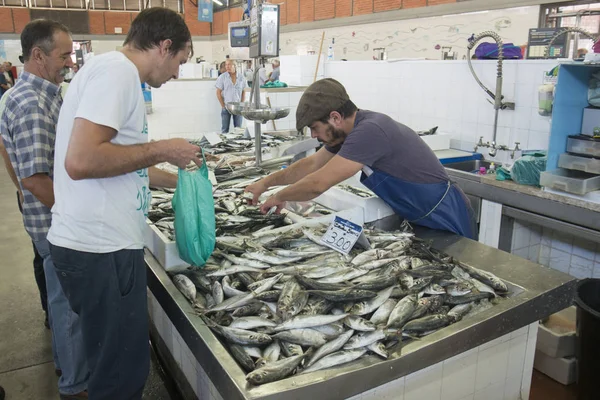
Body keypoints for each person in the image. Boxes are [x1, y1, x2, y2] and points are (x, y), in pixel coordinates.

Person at [47, 8, 201, 400]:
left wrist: (181, 179)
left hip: (96, 248)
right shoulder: (118, 74)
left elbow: (115, 161)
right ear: (164, 47)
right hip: (100, 251)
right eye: (180, 62)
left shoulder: (109, 71)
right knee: (119, 376)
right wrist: (164, 148)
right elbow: (81, 161)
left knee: (115, 365)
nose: (178, 74)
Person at [245, 78, 476, 239]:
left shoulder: (371, 130)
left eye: (314, 128)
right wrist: (265, 183)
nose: (314, 136)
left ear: (335, 117)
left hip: (445, 216)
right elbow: (311, 165)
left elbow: (318, 184)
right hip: (420, 218)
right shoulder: (347, 134)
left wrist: (278, 196)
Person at [0, 19, 88, 400]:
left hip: (49, 220)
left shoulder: (46, 93)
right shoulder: (32, 103)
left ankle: (63, 364)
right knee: (68, 307)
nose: (69, 61)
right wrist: (75, 217)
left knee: (59, 299)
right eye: (64, 54)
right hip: (54, 223)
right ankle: (75, 385)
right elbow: (35, 179)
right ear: (37, 55)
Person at [0, 86, 49, 330]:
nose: (70, 64)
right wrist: (20, 188)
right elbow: (5, 147)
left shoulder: (50, 93)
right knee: (43, 259)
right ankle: (50, 312)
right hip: (37, 201)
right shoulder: (23, 100)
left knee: (44, 259)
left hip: (41, 197)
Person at [216, 59, 246, 133]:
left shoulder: (241, 77)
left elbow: (244, 91)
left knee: (238, 130)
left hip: (238, 107)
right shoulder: (222, 77)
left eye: (229, 64)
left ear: (234, 66)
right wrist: (223, 106)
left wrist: (242, 104)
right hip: (226, 107)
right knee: (225, 130)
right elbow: (218, 92)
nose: (227, 67)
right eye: (226, 65)